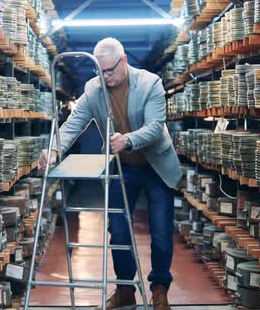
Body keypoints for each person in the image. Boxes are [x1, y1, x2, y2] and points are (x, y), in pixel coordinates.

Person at [39, 38, 182, 310]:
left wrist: (128, 140)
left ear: (124, 60)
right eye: (99, 72)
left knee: (161, 231)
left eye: (110, 71)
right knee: (117, 230)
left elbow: (155, 127)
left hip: (156, 167)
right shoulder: (93, 89)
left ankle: (160, 289)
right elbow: (72, 125)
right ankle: (125, 290)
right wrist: (54, 150)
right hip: (122, 168)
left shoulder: (150, 83)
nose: (105, 77)